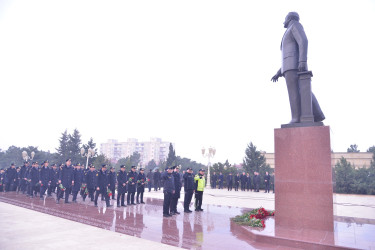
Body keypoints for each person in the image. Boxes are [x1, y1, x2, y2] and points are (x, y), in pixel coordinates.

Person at [271, 12, 325, 124]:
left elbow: (303, 41)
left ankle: (295, 118)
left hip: (294, 66)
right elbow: (288, 56)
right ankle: (318, 114)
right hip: (289, 66)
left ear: (290, 18)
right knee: (303, 90)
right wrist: (278, 72)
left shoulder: (295, 25)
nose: (283, 22)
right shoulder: (289, 29)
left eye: (284, 19)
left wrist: (302, 61)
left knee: (294, 92)